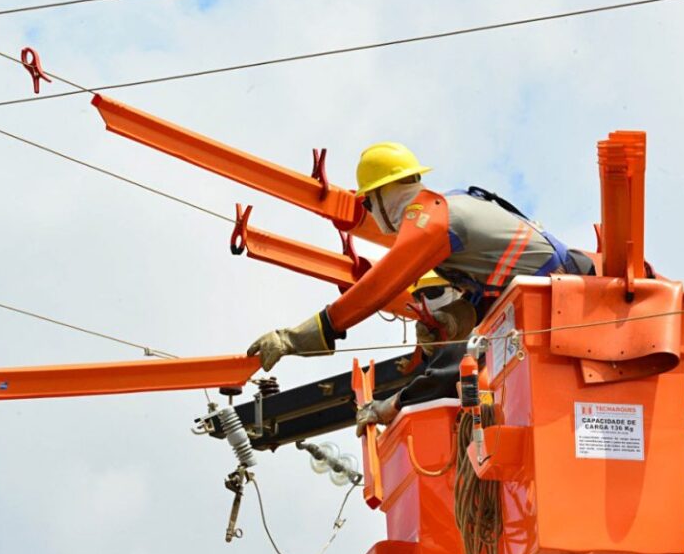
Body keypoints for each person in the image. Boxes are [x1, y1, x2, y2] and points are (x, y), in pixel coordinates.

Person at [246, 141, 593, 425]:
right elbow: (496, 278)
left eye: (368, 201)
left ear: (381, 195)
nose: (369, 210)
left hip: (557, 296)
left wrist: (298, 337)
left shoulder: (428, 219)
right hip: (554, 289)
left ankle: (395, 404)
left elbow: (377, 287)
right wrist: (457, 316)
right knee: (465, 360)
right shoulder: (451, 204)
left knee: (460, 367)